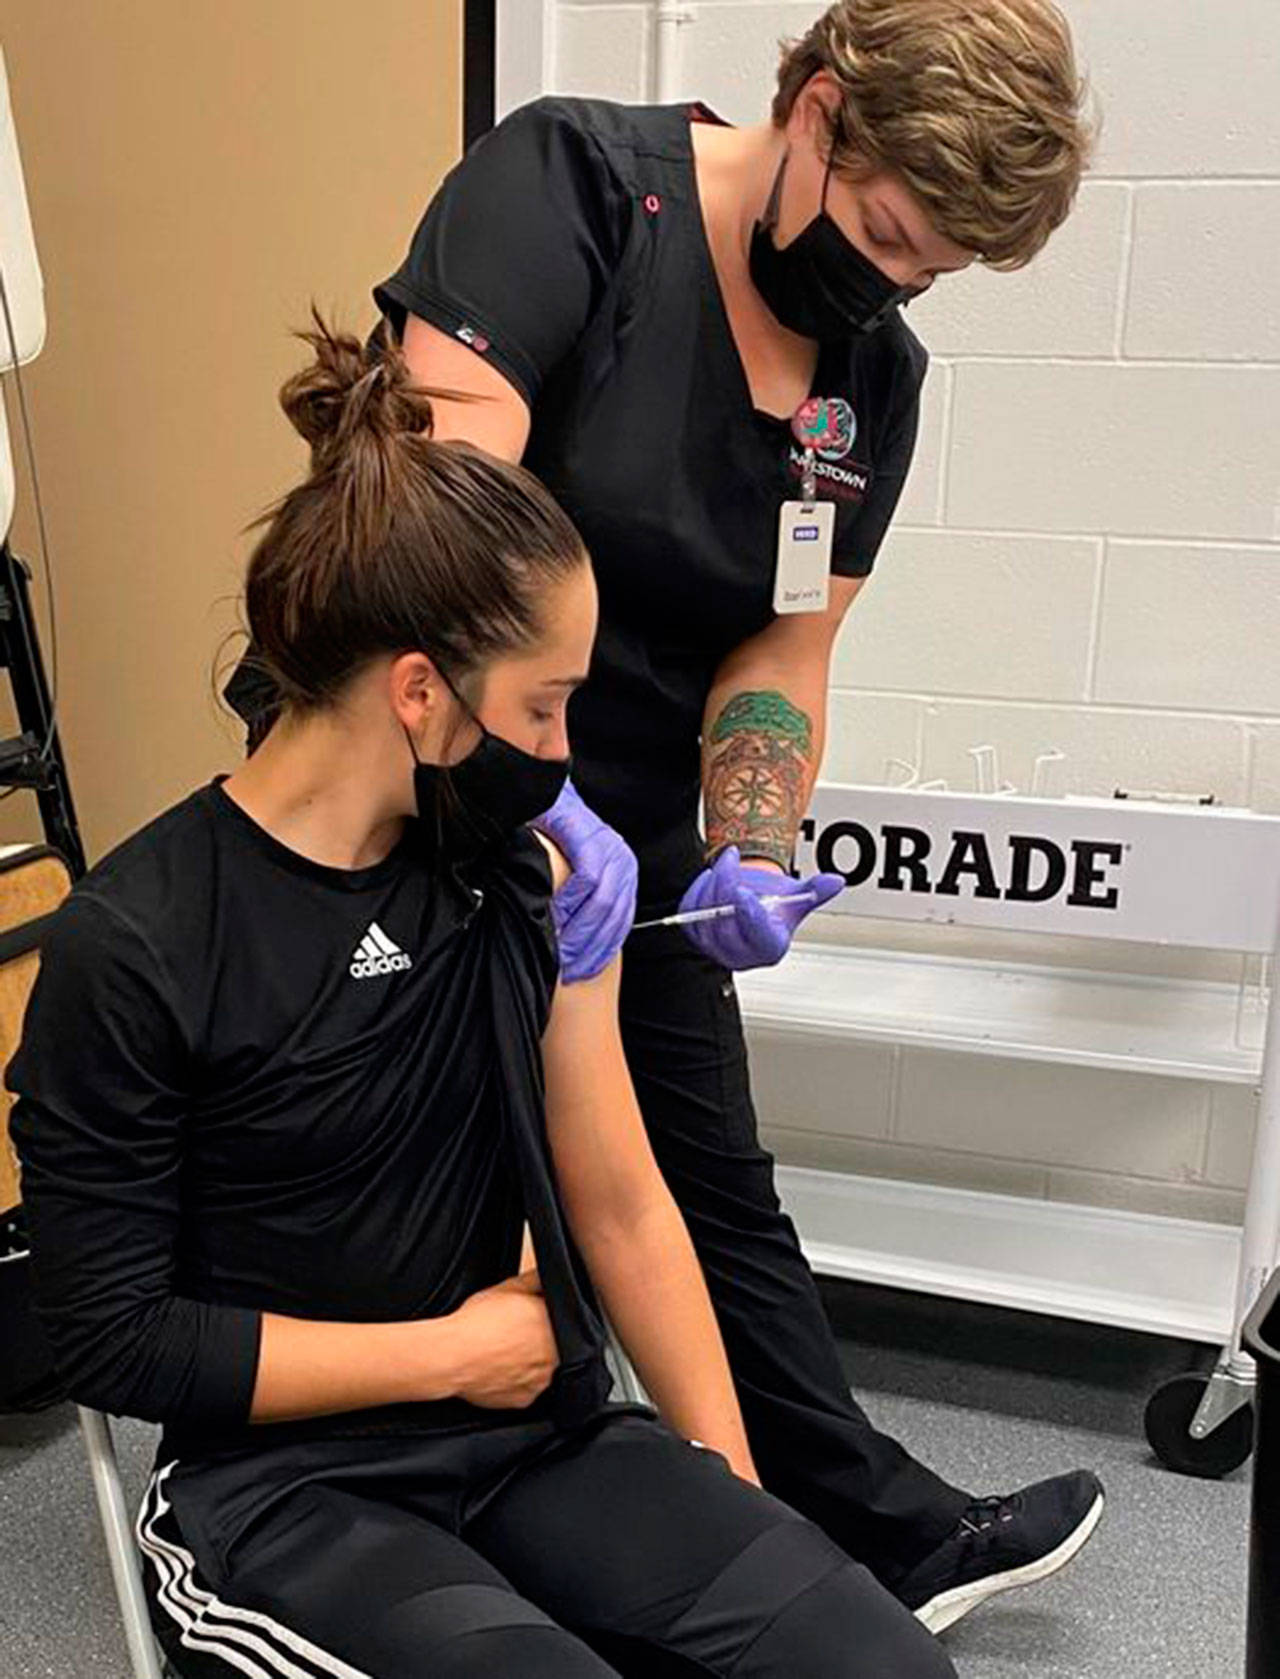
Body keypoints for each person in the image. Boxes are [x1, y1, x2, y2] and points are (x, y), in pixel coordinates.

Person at [227, 0, 1105, 1635]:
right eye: (889, 236)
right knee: (403, 1167)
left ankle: (807, 1531)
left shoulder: (868, 386)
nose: (892, 288)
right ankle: (329, 1524)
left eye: (929, 276)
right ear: (820, 113)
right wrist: (534, 799)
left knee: (694, 1176)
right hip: (424, 770)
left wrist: (754, 838)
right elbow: (447, 531)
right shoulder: (565, 189)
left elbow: (783, 643)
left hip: (632, 839)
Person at [8, 319, 959, 1679]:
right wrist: (449, 1352)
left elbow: (622, 1201)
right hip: (287, 1495)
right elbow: (115, 1338)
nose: (563, 758)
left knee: (876, 1663)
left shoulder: (509, 876)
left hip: (538, 1438)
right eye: (543, 709)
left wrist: (735, 1492)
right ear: (417, 692)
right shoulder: (140, 944)